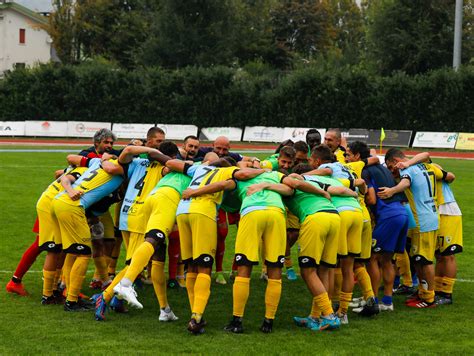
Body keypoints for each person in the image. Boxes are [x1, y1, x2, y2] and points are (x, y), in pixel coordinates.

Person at [166, 155, 265, 334]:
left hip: (182, 210)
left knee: (191, 266)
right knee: (204, 267)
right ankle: (196, 317)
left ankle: (196, 314)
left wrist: (192, 165)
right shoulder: (227, 171)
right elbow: (242, 175)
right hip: (202, 211)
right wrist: (262, 170)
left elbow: (171, 163)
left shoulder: (198, 169)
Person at [95, 143, 173, 320]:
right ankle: (105, 297)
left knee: (134, 262)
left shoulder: (137, 163)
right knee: (134, 266)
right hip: (141, 218)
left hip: (126, 214)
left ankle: (118, 300)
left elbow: (126, 154)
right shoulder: (165, 168)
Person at [378, 148, 454, 308]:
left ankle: (429, 298)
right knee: (419, 259)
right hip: (430, 216)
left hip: (423, 220)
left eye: (391, 166)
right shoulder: (428, 166)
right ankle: (423, 292)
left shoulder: (408, 170)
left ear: (393, 161)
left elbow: (406, 182)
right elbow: (441, 169)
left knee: (425, 261)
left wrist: (391, 190)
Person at [288, 164, 359, 331]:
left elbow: (294, 185)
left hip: (315, 219)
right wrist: (355, 193)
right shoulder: (319, 181)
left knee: (308, 271)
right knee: (324, 270)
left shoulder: (293, 181)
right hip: (335, 217)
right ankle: (315, 316)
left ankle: (328, 315)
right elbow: (343, 190)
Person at [53, 156, 124, 311]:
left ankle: (66, 290)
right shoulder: (114, 169)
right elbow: (64, 170)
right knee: (83, 253)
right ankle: (71, 300)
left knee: (73, 250)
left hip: (62, 202)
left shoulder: (96, 163)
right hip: (73, 206)